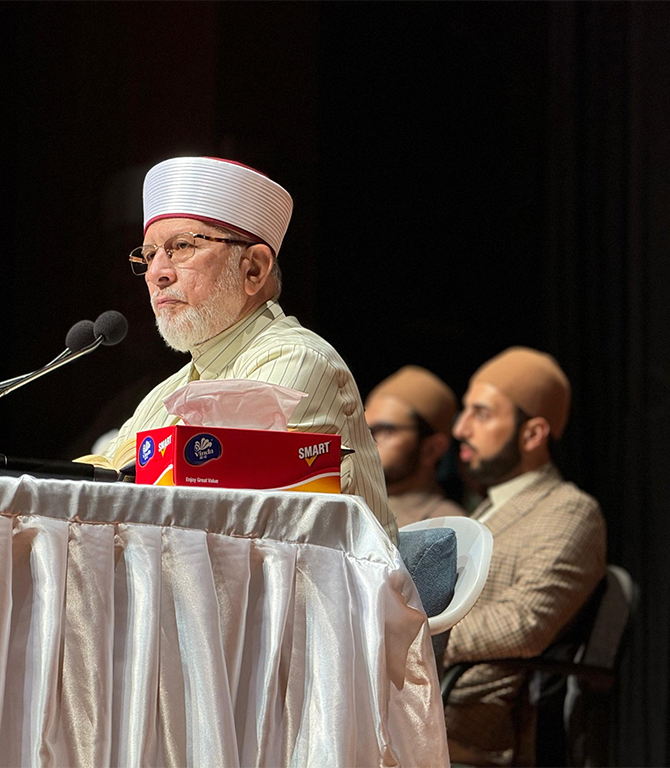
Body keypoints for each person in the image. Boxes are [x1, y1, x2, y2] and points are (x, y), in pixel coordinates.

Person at [81, 156, 396, 541]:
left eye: (181, 246)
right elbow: (101, 478)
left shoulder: (295, 358)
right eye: (149, 255)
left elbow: (215, 513)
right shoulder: (167, 391)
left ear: (254, 269)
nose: (156, 274)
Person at [442, 347, 607, 766]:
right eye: (464, 411)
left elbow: (525, 623)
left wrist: (410, 637)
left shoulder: (570, 510)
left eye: (481, 413)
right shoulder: (488, 507)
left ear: (533, 434)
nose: (461, 428)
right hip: (424, 701)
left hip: (471, 724)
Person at [365, 365, 467, 527]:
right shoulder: (346, 505)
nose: (365, 441)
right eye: (363, 429)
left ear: (432, 449)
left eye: (385, 431)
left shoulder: (446, 526)